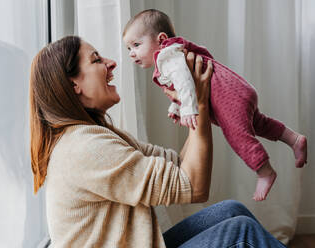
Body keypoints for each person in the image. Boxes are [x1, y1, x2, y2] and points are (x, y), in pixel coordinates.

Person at [29, 35, 286, 247]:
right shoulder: (86, 147)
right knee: (240, 231)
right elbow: (194, 187)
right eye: (96, 60)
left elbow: (180, 165)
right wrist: (198, 104)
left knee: (232, 211)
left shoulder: (96, 134)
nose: (111, 63)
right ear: (74, 84)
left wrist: (191, 103)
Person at [122, 9, 308, 201]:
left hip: (229, 96)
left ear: (161, 39)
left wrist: (187, 109)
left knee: (237, 135)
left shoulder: (167, 56)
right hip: (237, 90)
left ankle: (264, 171)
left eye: (136, 45)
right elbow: (187, 85)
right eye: (128, 48)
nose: (132, 53)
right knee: (259, 123)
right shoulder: (175, 52)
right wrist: (177, 107)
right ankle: (294, 139)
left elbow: (185, 81)